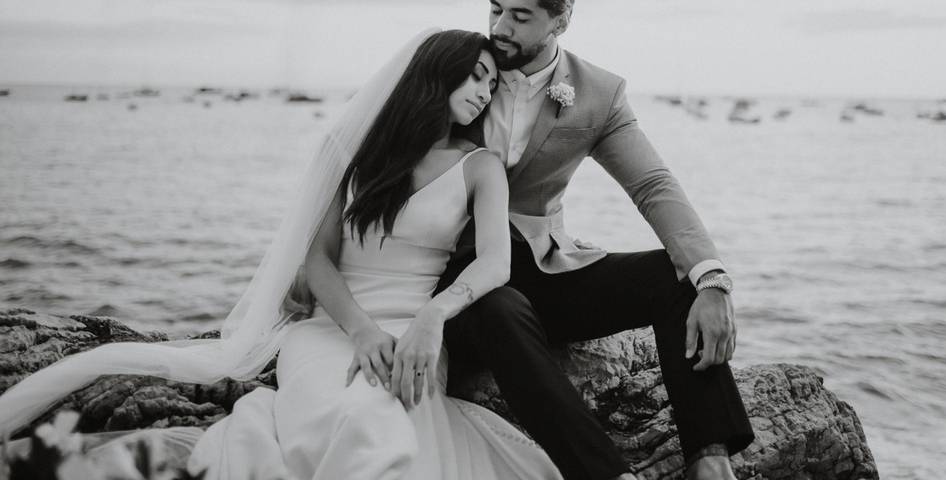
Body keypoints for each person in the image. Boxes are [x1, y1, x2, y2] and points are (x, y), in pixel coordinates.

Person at [0, 29, 562, 480]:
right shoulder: (358, 155)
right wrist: (361, 331)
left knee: (377, 420)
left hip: (410, 329)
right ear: (438, 72)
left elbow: (495, 263)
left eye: (493, 85)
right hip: (330, 327)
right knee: (346, 414)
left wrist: (432, 318)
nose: (486, 92)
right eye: (478, 76)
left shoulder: (481, 165)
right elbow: (317, 260)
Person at [436, 0, 755, 480]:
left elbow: (652, 184)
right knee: (501, 308)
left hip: (539, 265)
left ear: (560, 22)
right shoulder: (463, 66)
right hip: (461, 274)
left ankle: (711, 459)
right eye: (494, 10)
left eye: (519, 17)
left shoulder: (598, 93)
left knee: (673, 280)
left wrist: (712, 279)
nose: (499, 28)